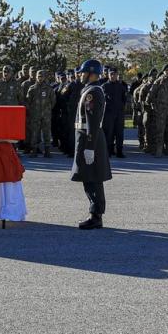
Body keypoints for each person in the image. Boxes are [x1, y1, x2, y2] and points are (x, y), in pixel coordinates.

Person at [70, 59, 111, 230]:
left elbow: (92, 122)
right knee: (89, 177)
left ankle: (96, 215)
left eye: (83, 72)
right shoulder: (89, 90)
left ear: (92, 73)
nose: (80, 74)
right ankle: (95, 213)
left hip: (89, 138)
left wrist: (89, 146)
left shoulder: (93, 92)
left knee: (92, 177)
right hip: (86, 137)